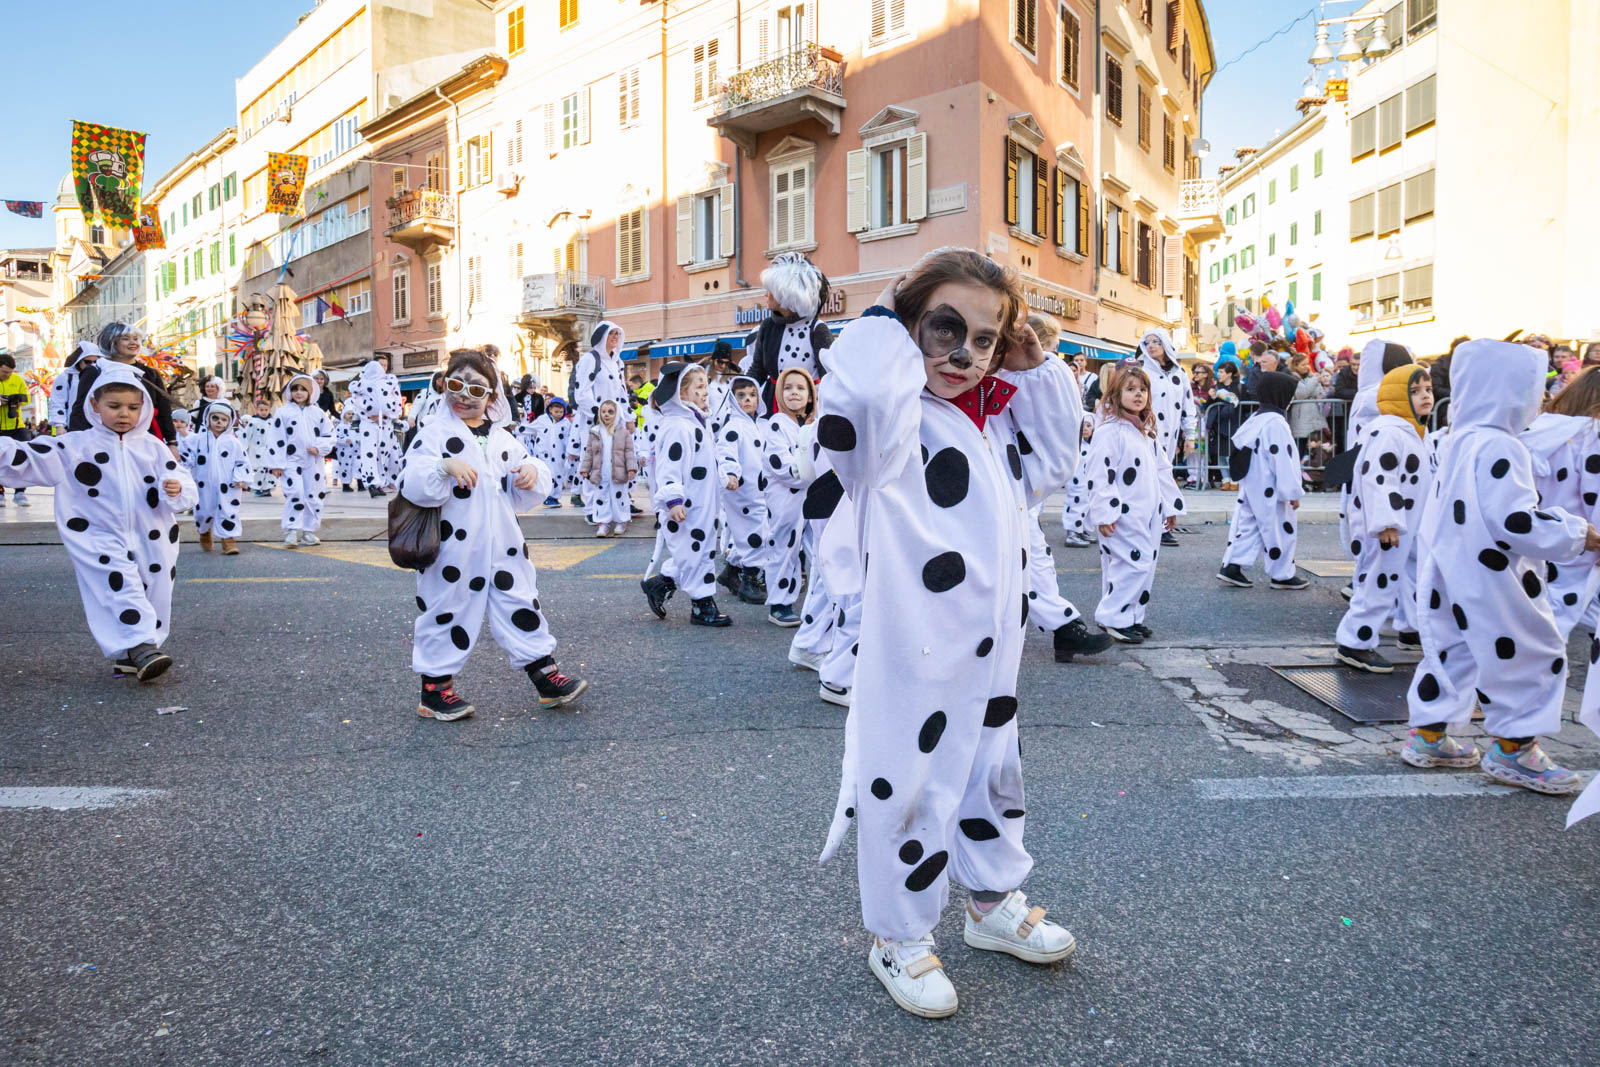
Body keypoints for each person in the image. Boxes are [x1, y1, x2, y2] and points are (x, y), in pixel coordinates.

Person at [815, 250, 1080, 1020]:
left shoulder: (993, 417)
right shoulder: (888, 426)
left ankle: (990, 898)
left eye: (986, 338)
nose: (964, 353)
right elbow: (858, 391)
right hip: (914, 654)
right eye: (944, 328)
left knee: (993, 774)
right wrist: (887, 311)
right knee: (909, 785)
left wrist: (1036, 367)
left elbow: (1055, 461)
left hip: (993, 648)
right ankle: (898, 932)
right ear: (910, 329)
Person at [1401, 340, 1595, 794]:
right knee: (1535, 651)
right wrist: (1574, 532)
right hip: (1493, 575)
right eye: (1533, 388)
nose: (1541, 400)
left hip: (1448, 565)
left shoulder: (1458, 438)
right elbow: (1515, 522)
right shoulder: (1501, 447)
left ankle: (1428, 735)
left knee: (1453, 649)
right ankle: (1514, 749)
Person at [401, 348, 587, 720]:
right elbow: (410, 481)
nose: (463, 395)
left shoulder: (501, 438)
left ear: (492, 397)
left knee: (520, 599)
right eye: (456, 384)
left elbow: (526, 474)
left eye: (475, 389)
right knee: (445, 610)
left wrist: (532, 473)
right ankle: (435, 691)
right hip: (452, 549)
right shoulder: (434, 433)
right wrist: (442, 466)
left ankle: (545, 676)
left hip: (503, 544)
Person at [0, 364, 196, 680]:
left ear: (144, 407)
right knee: (120, 585)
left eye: (133, 407)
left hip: (153, 533)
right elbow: (28, 457)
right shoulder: (76, 445)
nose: (124, 414)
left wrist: (176, 488)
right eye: (114, 406)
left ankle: (132, 654)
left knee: (154, 589)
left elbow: (179, 477)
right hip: (97, 533)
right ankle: (141, 646)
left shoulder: (152, 446)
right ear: (94, 405)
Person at [1020, 314, 1113, 662]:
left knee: (1033, 558)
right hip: (1016, 485)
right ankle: (1064, 626)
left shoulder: (1041, 374)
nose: (1056, 354)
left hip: (1027, 486)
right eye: (1053, 347)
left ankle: (1064, 628)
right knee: (1028, 559)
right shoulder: (1031, 375)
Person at [1087, 361, 1185, 643]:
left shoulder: (1144, 432)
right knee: (1132, 563)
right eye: (1130, 389)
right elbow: (1098, 474)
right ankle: (1113, 617)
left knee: (1144, 564)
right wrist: (1104, 513)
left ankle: (1131, 616)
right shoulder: (1110, 431)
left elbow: (1163, 471)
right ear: (1116, 395)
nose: (1138, 394)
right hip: (1122, 514)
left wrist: (1170, 505)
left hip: (1148, 514)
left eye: (1143, 389)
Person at [639, 362, 731, 627]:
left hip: (703, 504)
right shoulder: (678, 425)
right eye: (699, 387)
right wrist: (673, 500)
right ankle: (702, 607)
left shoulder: (696, 422)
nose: (706, 392)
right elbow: (670, 465)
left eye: (706, 385)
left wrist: (723, 478)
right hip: (687, 505)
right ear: (681, 393)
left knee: (697, 552)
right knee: (697, 554)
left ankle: (660, 584)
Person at [1520, 367, 1600, 638]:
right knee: (1563, 612)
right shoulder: (1592, 434)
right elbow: (1596, 492)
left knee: (1544, 607)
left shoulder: (1540, 428)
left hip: (1542, 534)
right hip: (1583, 540)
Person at [1216, 371, 1308, 590]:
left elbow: (1238, 444)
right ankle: (1282, 574)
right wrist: (1292, 492)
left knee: (1249, 524)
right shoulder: (1276, 423)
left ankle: (1233, 566)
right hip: (1272, 486)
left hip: (1252, 484)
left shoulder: (1256, 418)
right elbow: (1284, 460)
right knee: (1280, 529)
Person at [759, 366, 817, 627]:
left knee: (817, 551)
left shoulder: (813, 425)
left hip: (813, 500)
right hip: (786, 501)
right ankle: (779, 604)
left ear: (810, 395)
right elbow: (780, 464)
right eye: (788, 387)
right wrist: (813, 472)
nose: (794, 393)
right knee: (784, 549)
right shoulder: (777, 424)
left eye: (801, 388)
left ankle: (819, 603)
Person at [742, 252, 832, 405]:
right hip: (773, 405)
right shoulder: (767, 327)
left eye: (770, 290)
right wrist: (740, 391)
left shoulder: (817, 330)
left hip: (808, 407)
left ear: (786, 294)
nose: (766, 294)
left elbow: (829, 377)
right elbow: (758, 370)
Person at [68, 324, 178, 448]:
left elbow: (164, 410)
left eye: (136, 339)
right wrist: (76, 442)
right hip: (103, 440)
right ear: (111, 342)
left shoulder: (150, 374)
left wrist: (172, 442)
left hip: (143, 440)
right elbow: (80, 409)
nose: (133, 343)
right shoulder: (95, 371)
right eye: (126, 338)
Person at [714, 374, 771, 605]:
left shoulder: (758, 425)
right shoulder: (734, 427)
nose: (747, 400)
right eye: (741, 396)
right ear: (732, 399)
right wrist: (730, 473)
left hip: (758, 491)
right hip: (741, 490)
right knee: (757, 531)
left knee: (752, 531)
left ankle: (731, 571)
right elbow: (725, 451)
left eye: (752, 395)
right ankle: (749, 579)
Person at [265, 373, 337, 548]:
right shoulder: (283, 412)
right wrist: (276, 464)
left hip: (313, 462)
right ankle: (291, 531)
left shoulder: (318, 413)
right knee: (295, 493)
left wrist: (319, 447)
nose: (298, 393)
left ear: (310, 391)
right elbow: (275, 438)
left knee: (314, 496)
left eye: (303, 389)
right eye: (295, 389)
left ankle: (308, 532)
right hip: (291, 461)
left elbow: (329, 434)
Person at [1137, 328, 1194, 548]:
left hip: (1169, 439)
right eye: (1148, 342)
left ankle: (1161, 525)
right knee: (1148, 480)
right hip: (1146, 435)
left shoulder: (1179, 374)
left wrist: (1190, 436)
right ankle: (1150, 525)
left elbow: (1188, 407)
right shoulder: (1143, 372)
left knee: (1163, 478)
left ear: (1166, 345)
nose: (1151, 346)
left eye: (1156, 342)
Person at [570, 321, 631, 506]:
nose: (615, 337)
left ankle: (616, 502)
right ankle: (591, 507)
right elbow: (582, 393)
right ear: (602, 336)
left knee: (615, 462)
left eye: (617, 333)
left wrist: (629, 418)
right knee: (593, 463)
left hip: (616, 423)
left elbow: (622, 393)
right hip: (593, 422)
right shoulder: (590, 360)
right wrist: (600, 414)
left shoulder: (617, 362)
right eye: (611, 333)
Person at [180, 400, 249, 555]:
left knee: (228, 510)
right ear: (208, 419)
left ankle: (228, 540)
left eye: (224, 420)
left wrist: (240, 478)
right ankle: (204, 531)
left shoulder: (233, 443)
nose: (219, 422)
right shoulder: (197, 439)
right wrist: (184, 470)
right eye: (215, 418)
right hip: (203, 484)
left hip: (228, 485)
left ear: (230, 422)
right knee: (203, 512)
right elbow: (186, 455)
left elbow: (242, 462)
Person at [579, 399, 639, 537]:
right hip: (600, 473)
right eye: (603, 412)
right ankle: (603, 522)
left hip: (618, 472)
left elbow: (629, 452)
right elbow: (589, 453)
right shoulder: (594, 432)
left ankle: (621, 520)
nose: (606, 415)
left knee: (620, 496)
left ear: (617, 414)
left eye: (610, 412)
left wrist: (631, 468)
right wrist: (585, 469)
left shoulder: (623, 432)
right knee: (601, 496)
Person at [346, 357, 403, 497]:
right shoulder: (362, 385)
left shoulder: (390, 383)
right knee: (371, 453)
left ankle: (378, 483)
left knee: (381, 453)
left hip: (384, 423)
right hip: (372, 424)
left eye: (385, 365)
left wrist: (384, 415)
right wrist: (372, 416)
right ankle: (373, 483)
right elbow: (357, 404)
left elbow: (397, 403)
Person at [0, 353, 35, 507]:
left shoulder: (17, 380)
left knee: (23, 457)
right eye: (4, 372)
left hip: (16, 426)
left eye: (10, 372)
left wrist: (18, 399)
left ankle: (20, 492)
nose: (7, 375)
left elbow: (27, 397)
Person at [528, 397, 573, 507]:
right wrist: (514, 429)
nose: (559, 414)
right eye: (556, 412)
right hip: (544, 454)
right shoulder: (543, 420)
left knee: (557, 475)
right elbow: (529, 428)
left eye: (561, 412)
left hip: (559, 455)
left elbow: (569, 438)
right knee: (546, 474)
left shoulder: (566, 424)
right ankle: (547, 496)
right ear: (550, 410)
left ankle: (554, 497)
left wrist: (570, 451)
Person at [240, 397, 278, 496]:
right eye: (261, 410)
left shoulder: (272, 422)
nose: (264, 412)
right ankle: (256, 488)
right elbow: (246, 436)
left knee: (270, 469)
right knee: (259, 469)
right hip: (256, 451)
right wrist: (243, 449)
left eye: (266, 410)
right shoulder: (253, 422)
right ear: (257, 410)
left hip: (269, 450)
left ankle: (267, 488)